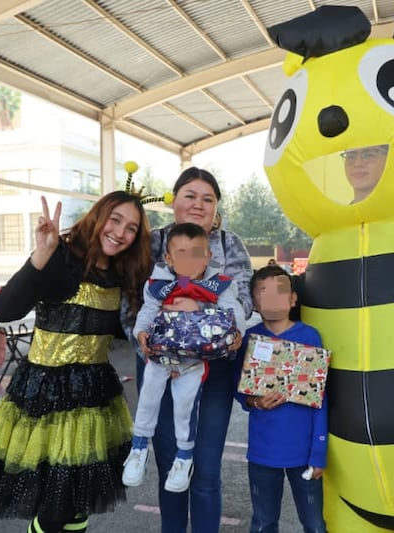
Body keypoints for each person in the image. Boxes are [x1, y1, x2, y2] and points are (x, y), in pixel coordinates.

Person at [0, 192, 153, 533]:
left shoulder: (125, 274)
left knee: (76, 504)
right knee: (54, 509)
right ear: (98, 216)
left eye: (131, 228)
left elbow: (127, 330)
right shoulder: (60, 255)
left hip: (94, 398)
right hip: (46, 396)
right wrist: (42, 251)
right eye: (115, 219)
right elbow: (5, 310)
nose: (120, 232)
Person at [125, 166, 254, 533]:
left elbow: (242, 301)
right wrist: (149, 344)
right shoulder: (149, 243)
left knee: (207, 468)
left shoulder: (231, 246)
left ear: (216, 208)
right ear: (174, 201)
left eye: (208, 198)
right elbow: (133, 301)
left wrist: (200, 314)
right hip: (161, 366)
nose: (199, 204)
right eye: (190, 196)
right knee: (170, 465)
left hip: (214, 370)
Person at [123, 222, 246, 493]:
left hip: (193, 361)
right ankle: (139, 448)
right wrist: (141, 332)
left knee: (185, 407)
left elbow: (234, 311)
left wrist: (237, 330)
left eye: (196, 253)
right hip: (160, 357)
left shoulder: (220, 284)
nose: (189, 260)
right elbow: (146, 312)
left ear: (208, 256)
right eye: (181, 253)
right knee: (148, 398)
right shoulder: (157, 285)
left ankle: (184, 457)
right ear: (168, 258)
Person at [233, 265, 327, 533]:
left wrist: (318, 452)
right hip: (263, 452)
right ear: (254, 302)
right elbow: (238, 388)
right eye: (264, 293)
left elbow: (320, 398)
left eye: (280, 292)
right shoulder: (250, 339)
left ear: (293, 299)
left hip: (304, 452)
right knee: (263, 522)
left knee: (315, 524)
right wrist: (254, 402)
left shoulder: (310, 337)